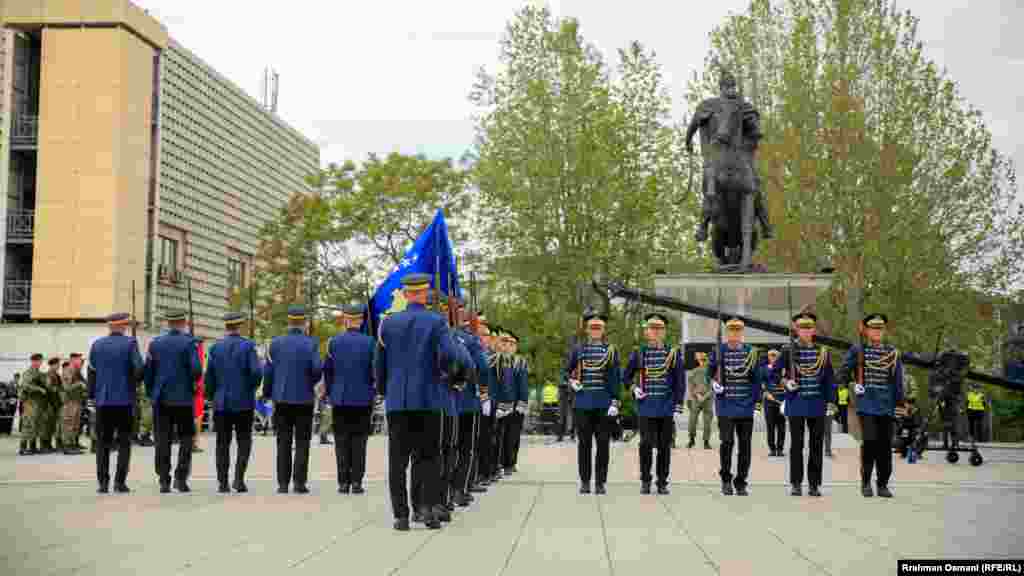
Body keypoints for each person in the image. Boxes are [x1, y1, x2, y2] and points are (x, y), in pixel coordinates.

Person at [376, 273, 471, 531]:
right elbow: (452, 354)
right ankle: (426, 509)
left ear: (406, 294)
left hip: (397, 401)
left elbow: (379, 365)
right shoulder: (436, 321)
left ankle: (401, 515)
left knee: (397, 461)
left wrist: (384, 390)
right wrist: (451, 376)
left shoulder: (387, 323)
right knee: (428, 457)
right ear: (425, 293)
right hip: (429, 398)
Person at [840, 313, 903, 498]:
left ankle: (882, 484)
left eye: (880, 329)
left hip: (886, 405)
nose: (877, 332)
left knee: (885, 445)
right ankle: (866, 482)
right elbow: (842, 373)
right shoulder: (858, 350)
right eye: (873, 328)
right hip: (866, 403)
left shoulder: (892, 353)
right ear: (866, 331)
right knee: (869, 442)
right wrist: (853, 385)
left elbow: (897, 380)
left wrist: (900, 403)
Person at [262, 305, 323, 494]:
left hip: (281, 398)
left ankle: (282, 483)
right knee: (302, 442)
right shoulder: (311, 343)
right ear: (304, 323)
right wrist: (310, 382)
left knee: (283, 442)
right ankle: (299, 483)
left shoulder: (275, 343)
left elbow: (268, 372)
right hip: (304, 398)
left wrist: (267, 393)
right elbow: (317, 369)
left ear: (289, 322)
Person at [623, 313, 686, 494]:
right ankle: (645, 480)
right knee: (645, 444)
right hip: (646, 406)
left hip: (666, 407)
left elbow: (680, 381)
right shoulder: (639, 353)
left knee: (664, 446)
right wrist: (634, 388)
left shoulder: (673, 353)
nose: (656, 331)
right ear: (646, 331)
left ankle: (662, 482)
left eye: (659, 328)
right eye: (652, 328)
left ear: (664, 332)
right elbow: (626, 376)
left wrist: (678, 405)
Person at [564, 309, 622, 495]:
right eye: (593, 327)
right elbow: (566, 371)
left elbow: (615, 378)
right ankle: (585, 481)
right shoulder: (578, 349)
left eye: (599, 327)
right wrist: (571, 381)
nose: (596, 330)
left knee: (603, 444)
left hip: (603, 404)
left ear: (603, 330)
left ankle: (600, 482)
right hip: (582, 403)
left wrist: (615, 401)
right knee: (584, 444)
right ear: (587, 329)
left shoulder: (611, 351)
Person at [145, 309, 203, 493]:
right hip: (183, 397)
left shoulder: (155, 343)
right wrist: (191, 382)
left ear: (168, 323)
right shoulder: (189, 342)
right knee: (186, 438)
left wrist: (151, 392)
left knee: (162, 438)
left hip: (161, 397)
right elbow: (196, 370)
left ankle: (164, 479)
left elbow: (148, 371)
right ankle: (181, 478)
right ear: (183, 323)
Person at [204, 311, 262, 493]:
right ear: (240, 326)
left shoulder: (215, 348)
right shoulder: (248, 346)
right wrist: (250, 388)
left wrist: (211, 395)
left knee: (222, 443)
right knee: (244, 441)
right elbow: (256, 372)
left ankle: (222, 482)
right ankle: (238, 480)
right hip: (243, 401)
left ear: (226, 326)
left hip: (221, 402)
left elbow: (209, 376)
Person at [781, 312, 836, 497]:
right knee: (796, 446)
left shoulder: (823, 352)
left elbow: (829, 379)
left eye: (809, 328)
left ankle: (814, 484)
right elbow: (772, 374)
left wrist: (831, 401)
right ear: (796, 330)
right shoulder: (788, 350)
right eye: (802, 328)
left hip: (817, 404)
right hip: (796, 403)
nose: (805, 331)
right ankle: (796, 483)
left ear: (813, 330)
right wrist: (786, 382)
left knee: (816, 446)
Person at [88, 313, 145, 493]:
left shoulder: (97, 345)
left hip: (103, 400)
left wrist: (92, 396)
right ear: (122, 326)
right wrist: (134, 383)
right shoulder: (130, 343)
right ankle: (120, 482)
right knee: (124, 443)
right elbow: (139, 369)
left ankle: (103, 483)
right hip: (124, 400)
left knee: (102, 444)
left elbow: (92, 372)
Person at [323, 303, 376, 494]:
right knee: (360, 441)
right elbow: (374, 371)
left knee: (341, 440)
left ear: (346, 320)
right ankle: (357, 482)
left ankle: (343, 482)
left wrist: (330, 393)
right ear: (360, 321)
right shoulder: (370, 342)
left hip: (340, 398)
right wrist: (373, 390)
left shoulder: (333, 342)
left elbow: (328, 371)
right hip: (363, 398)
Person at [707, 317, 762, 496]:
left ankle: (741, 481)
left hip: (746, 405)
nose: (734, 334)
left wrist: (757, 404)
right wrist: (714, 383)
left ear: (742, 333)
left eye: (738, 331)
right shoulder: (718, 351)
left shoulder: (751, 353)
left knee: (745, 446)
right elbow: (709, 373)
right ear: (727, 332)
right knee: (727, 443)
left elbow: (756, 380)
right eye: (731, 330)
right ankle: (726, 479)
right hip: (725, 405)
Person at [453, 308, 486, 506]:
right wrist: (484, 390)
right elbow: (482, 366)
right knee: (467, 449)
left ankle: (446, 493)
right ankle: (461, 489)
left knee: (448, 450)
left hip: (447, 401)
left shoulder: (443, 336)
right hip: (467, 402)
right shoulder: (471, 340)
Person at [17, 354, 47, 456]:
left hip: (37, 402)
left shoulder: (39, 373)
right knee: (28, 425)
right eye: (39, 361)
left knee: (35, 424)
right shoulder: (28, 373)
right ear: (33, 361)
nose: (40, 363)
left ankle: (32, 446)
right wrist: (38, 389)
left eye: (41, 361)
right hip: (30, 402)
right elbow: (25, 385)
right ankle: (23, 447)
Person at [759, 349, 785, 456]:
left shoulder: (783, 369)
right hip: (769, 401)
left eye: (775, 355)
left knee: (781, 427)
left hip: (782, 401)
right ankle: (772, 449)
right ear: (768, 357)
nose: (773, 357)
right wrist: (765, 393)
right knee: (770, 426)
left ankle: (780, 449)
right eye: (771, 355)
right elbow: (760, 383)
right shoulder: (763, 369)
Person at [61, 354, 88, 454]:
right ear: (73, 360)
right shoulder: (67, 371)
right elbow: (66, 387)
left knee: (75, 425)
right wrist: (79, 384)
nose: (80, 361)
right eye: (79, 360)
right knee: (69, 424)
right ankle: (67, 446)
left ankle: (72, 445)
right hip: (70, 402)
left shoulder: (77, 372)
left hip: (77, 401)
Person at [686, 352, 713, 450]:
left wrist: (705, 396)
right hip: (696, 399)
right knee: (692, 420)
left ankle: (706, 441)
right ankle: (691, 439)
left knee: (707, 422)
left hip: (707, 399)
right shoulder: (693, 372)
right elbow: (690, 386)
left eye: (704, 360)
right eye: (701, 360)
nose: (702, 362)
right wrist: (697, 395)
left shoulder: (711, 372)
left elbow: (713, 386)